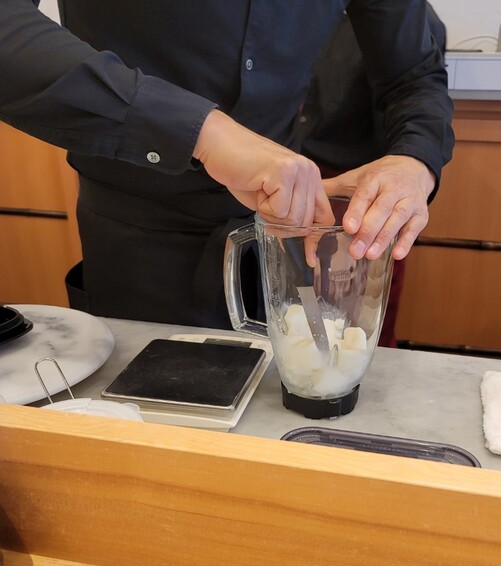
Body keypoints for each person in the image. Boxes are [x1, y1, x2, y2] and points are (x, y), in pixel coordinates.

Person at [0, 1, 454, 329]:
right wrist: (201, 131)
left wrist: (413, 159)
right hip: (138, 241)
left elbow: (413, 74)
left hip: (285, 233)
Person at [297, 3, 448, 347]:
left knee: (357, 328)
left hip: (365, 189)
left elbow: (416, 84)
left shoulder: (409, 20)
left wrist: (413, 162)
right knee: (290, 318)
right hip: (270, 180)